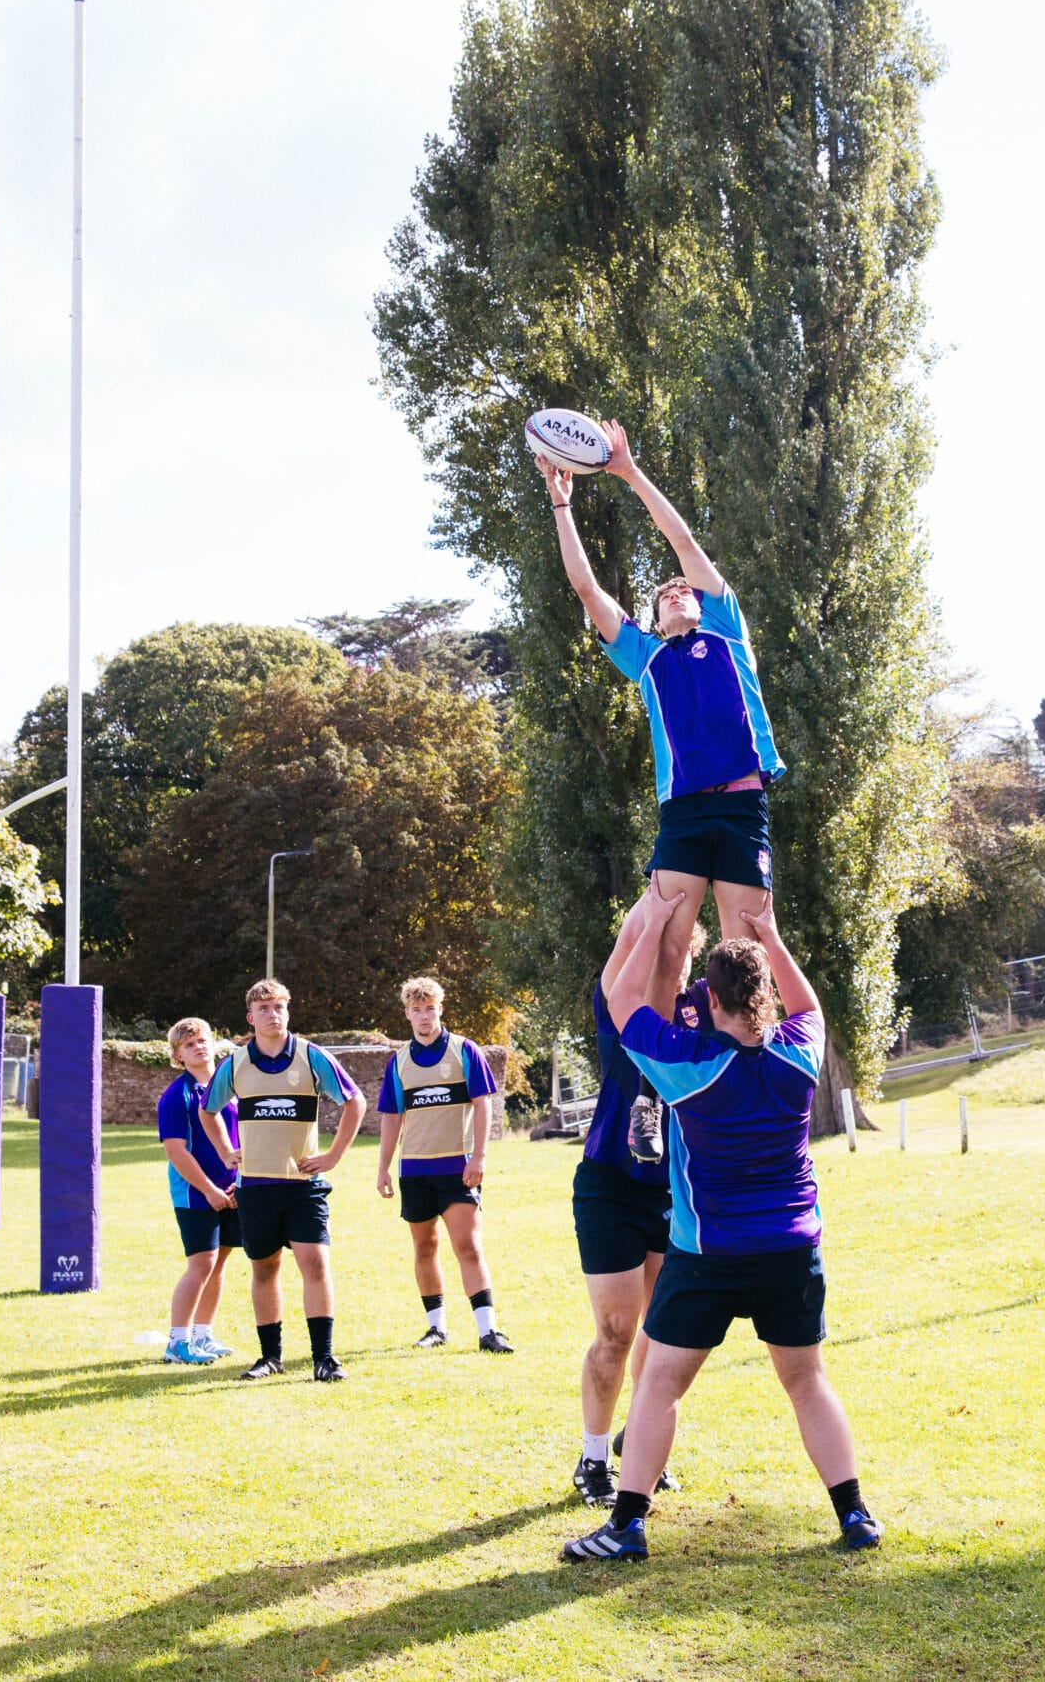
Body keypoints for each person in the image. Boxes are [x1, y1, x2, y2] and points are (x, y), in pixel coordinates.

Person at [563, 887, 879, 1563]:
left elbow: (622, 1005)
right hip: (793, 1252)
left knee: (660, 1384)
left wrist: (649, 921)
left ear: (710, 1002)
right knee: (807, 1382)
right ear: (765, 990)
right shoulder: (799, 1055)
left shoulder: (690, 1066)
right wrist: (770, 935)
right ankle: (854, 1514)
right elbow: (812, 1007)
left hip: (708, 1256)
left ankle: (626, 1525)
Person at [541, 422, 782, 943]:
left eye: (684, 588)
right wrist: (562, 506)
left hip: (742, 803)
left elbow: (682, 540)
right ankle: (660, 1027)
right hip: (684, 810)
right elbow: (585, 587)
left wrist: (628, 472)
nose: (677, 591)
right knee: (667, 947)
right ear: (653, 618)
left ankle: (754, 1028)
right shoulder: (647, 657)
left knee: (748, 950)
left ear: (702, 601)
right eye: (666, 593)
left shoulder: (726, 629)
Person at [569, 913, 709, 1506]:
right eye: (662, 951)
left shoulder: (703, 1013)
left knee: (661, 1333)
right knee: (617, 1330)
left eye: (681, 952)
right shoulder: (622, 1003)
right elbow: (628, 942)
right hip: (610, 1186)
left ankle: (640, 1442)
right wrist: (658, 901)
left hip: (674, 1193)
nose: (668, 961)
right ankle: (593, 1458)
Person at [203, 978, 364, 1383]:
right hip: (255, 1186)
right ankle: (270, 1357)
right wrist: (226, 1151)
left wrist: (333, 1156)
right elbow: (208, 1110)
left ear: (287, 1012)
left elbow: (354, 1101)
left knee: (315, 1263)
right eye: (264, 1009)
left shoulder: (311, 1057)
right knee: (264, 1270)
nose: (273, 1015)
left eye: (279, 1008)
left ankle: (324, 1358)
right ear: (250, 1017)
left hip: (302, 1186)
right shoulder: (236, 1063)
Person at [375, 976, 513, 1354]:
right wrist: (383, 1167)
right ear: (407, 1014)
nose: (424, 1016)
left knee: (468, 1245)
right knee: (424, 1247)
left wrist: (480, 1156)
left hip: (458, 1168)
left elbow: (483, 1104)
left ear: (440, 1009)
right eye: (416, 1010)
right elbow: (391, 1117)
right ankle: (436, 1328)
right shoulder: (399, 1062)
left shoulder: (464, 1050)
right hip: (415, 1170)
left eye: (430, 1008)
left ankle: (489, 1331)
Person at [156, 1017, 241, 1365]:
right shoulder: (177, 1096)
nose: (199, 1047)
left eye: (203, 1040)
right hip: (196, 1194)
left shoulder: (229, 1089)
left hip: (232, 1189)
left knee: (219, 1262)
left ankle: (203, 1335)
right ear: (178, 1056)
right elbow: (176, 1151)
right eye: (189, 1045)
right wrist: (208, 1190)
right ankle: (177, 1341)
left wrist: (240, 1179)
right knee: (201, 1263)